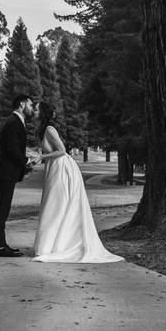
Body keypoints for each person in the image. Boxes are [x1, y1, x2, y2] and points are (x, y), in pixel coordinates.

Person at [32, 101, 123, 263]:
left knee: (55, 204)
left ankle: (55, 246)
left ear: (43, 112)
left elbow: (61, 151)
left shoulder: (49, 129)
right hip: (55, 167)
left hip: (62, 168)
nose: (34, 110)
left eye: (37, 108)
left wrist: (41, 157)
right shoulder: (43, 129)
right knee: (54, 204)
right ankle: (52, 245)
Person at [0, 93, 34, 257]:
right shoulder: (13, 122)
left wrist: (25, 163)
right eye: (30, 105)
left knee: (3, 209)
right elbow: (12, 149)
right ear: (22, 105)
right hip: (3, 172)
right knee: (1, 210)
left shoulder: (15, 122)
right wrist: (27, 161)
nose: (32, 108)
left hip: (6, 171)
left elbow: (14, 149)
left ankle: (1, 245)